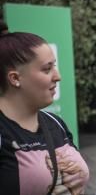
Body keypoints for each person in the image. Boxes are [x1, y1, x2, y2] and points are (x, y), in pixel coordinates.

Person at [0, 21, 89, 195]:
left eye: (54, 66)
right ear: (14, 78)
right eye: (47, 69)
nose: (58, 77)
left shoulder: (56, 123)